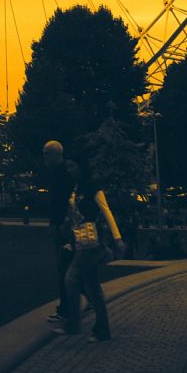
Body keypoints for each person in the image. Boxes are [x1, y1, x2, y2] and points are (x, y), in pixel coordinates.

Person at [56, 155, 124, 342]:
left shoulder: (93, 186)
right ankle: (101, 330)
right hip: (81, 241)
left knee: (70, 279)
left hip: (91, 242)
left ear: (81, 165)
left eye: (72, 165)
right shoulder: (77, 187)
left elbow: (106, 210)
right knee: (93, 288)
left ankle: (73, 324)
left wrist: (117, 238)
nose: (69, 170)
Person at [41, 140, 75, 324]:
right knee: (69, 267)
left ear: (57, 154)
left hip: (64, 228)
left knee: (64, 268)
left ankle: (66, 309)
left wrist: (60, 224)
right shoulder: (58, 173)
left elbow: (63, 202)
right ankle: (88, 300)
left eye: (46, 153)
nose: (44, 157)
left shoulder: (64, 174)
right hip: (60, 225)